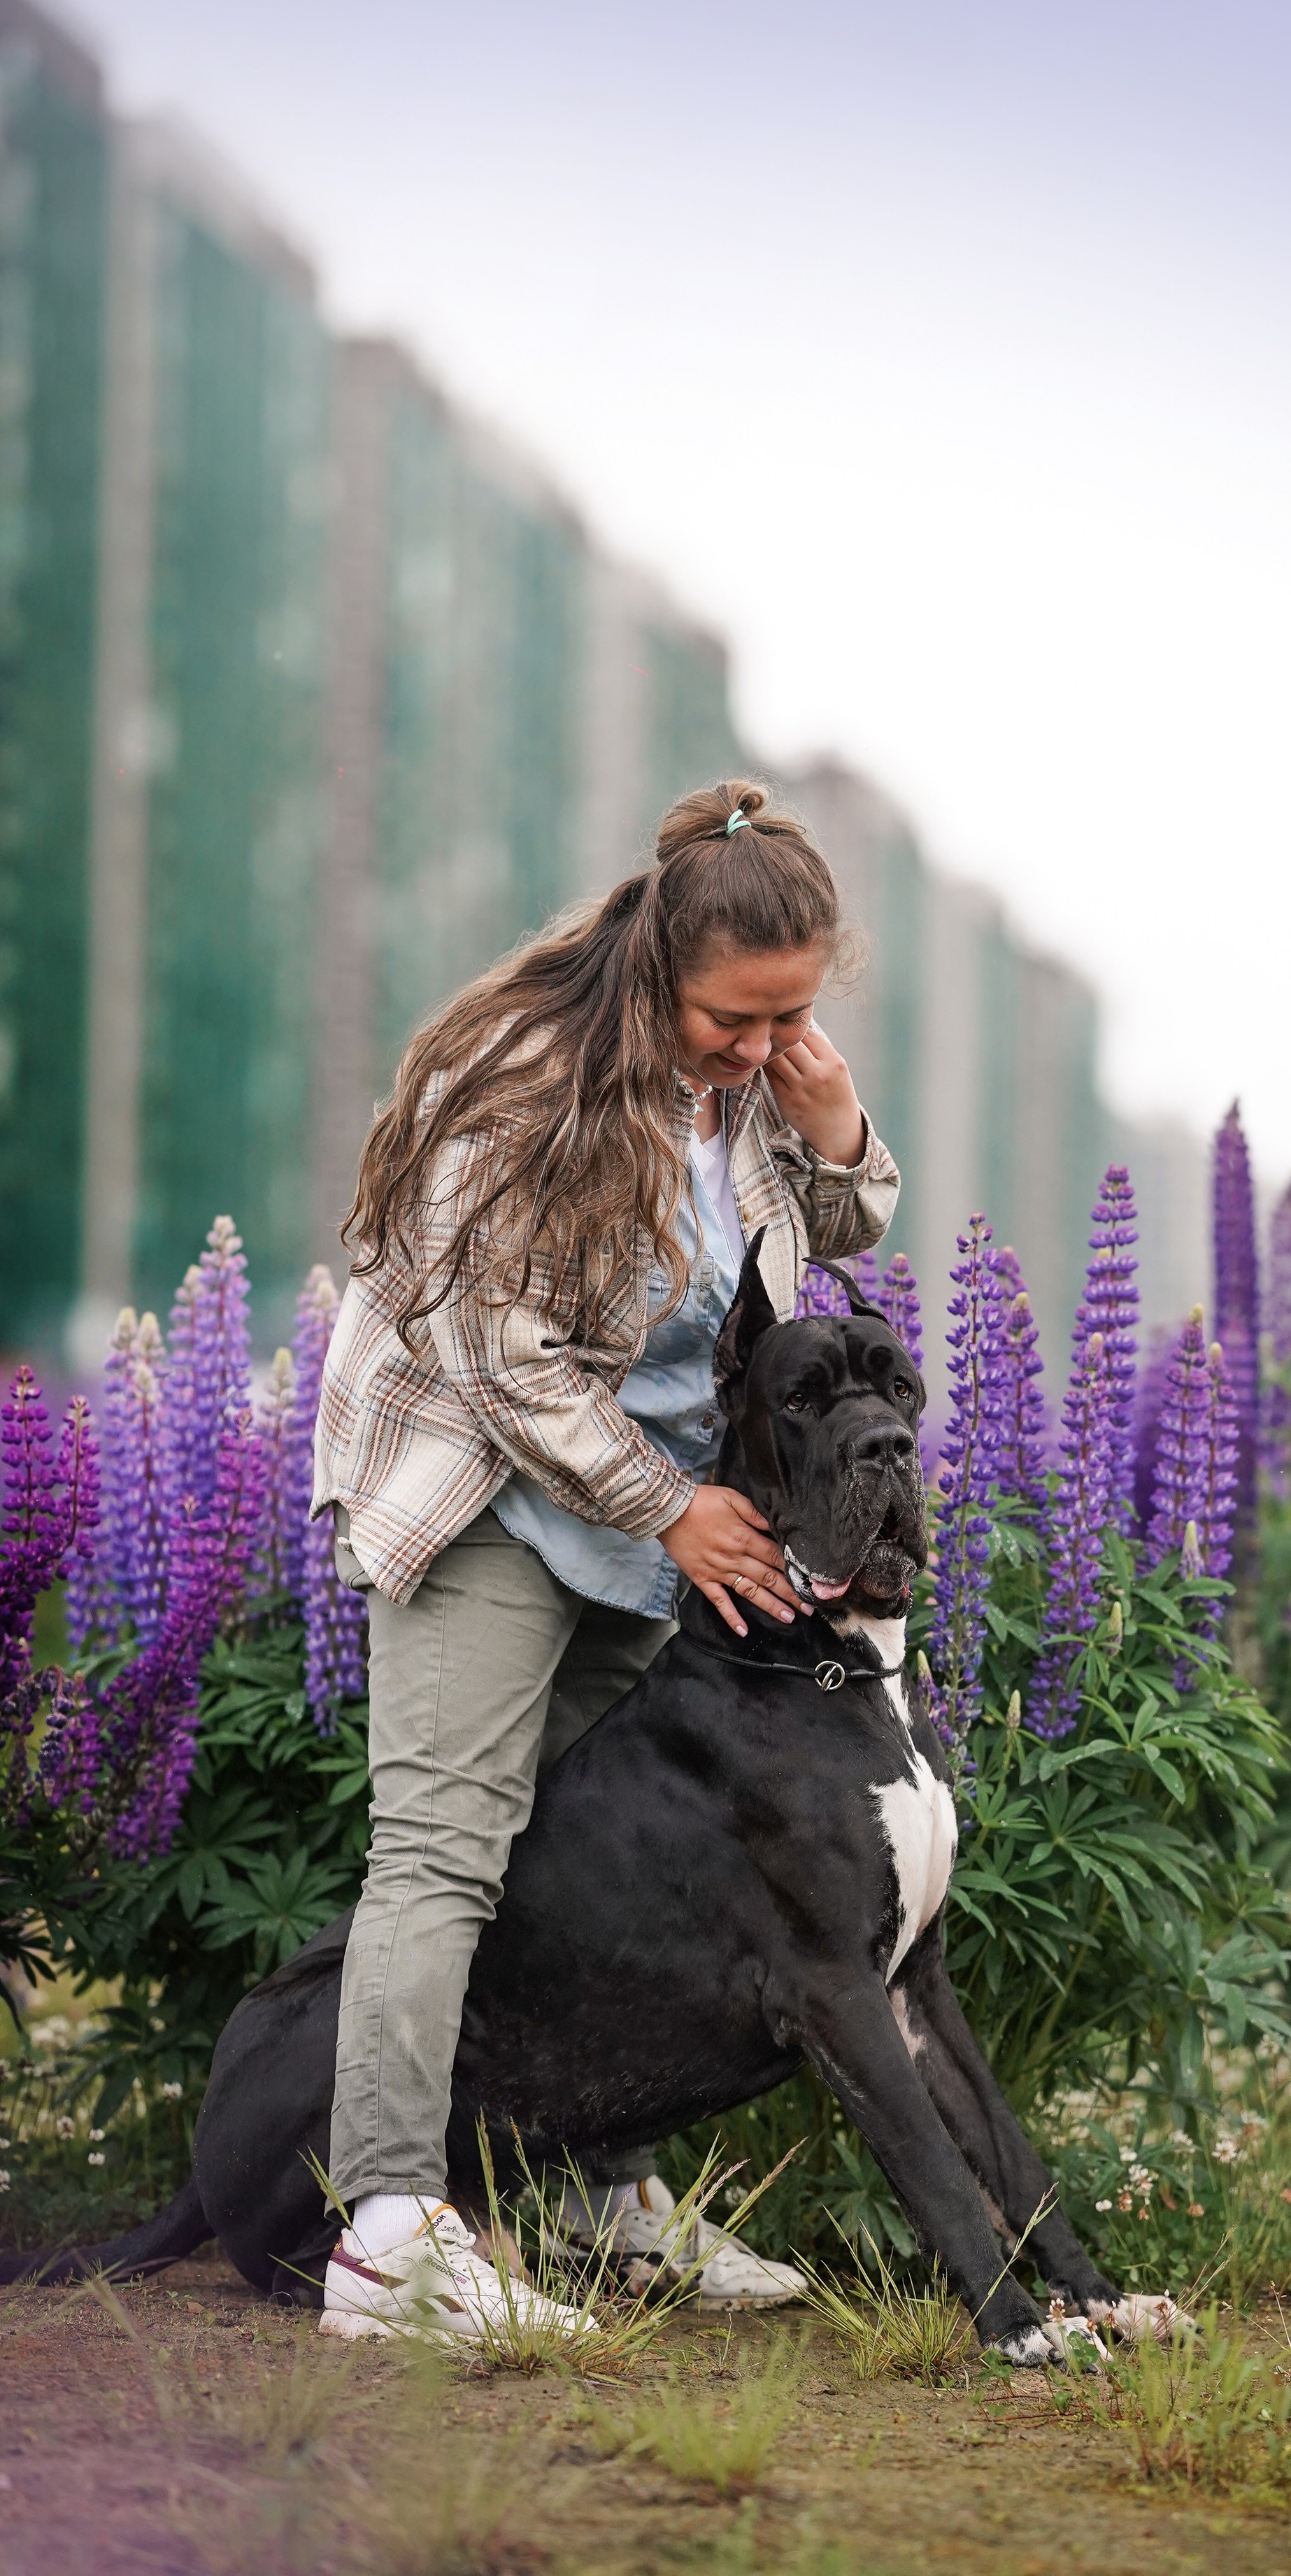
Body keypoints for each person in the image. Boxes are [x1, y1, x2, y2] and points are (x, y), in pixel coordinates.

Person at [312, 778, 899, 2341]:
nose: (759, 1048)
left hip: (649, 1517)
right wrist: (672, 1510)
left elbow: (826, 1245)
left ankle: (591, 2208)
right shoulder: (523, 1081)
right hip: (492, 1495)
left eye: (790, 1021)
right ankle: (384, 2240)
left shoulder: (753, 1082)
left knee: (598, 1867)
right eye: (736, 1019)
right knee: (443, 1851)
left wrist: (830, 1119)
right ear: (660, 966)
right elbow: (495, 1355)